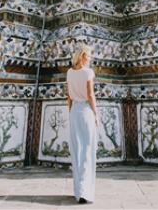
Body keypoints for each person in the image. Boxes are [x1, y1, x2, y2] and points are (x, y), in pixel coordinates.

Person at [66, 44, 98, 204]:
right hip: (86, 111)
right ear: (82, 56)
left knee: (76, 150)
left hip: (74, 112)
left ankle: (78, 191)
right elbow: (91, 95)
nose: (90, 58)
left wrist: (70, 112)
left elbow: (69, 97)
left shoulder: (69, 72)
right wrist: (96, 114)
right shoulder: (88, 72)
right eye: (89, 56)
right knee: (87, 149)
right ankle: (85, 192)